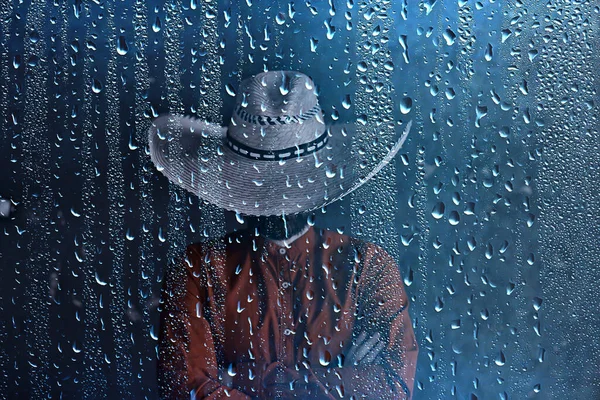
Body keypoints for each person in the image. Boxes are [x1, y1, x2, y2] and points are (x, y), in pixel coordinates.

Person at [149, 71, 418, 399]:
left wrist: (242, 379)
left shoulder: (367, 268)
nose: (280, 207)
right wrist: (337, 380)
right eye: (267, 190)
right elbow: (184, 388)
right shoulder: (200, 269)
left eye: (290, 189)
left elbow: (393, 386)